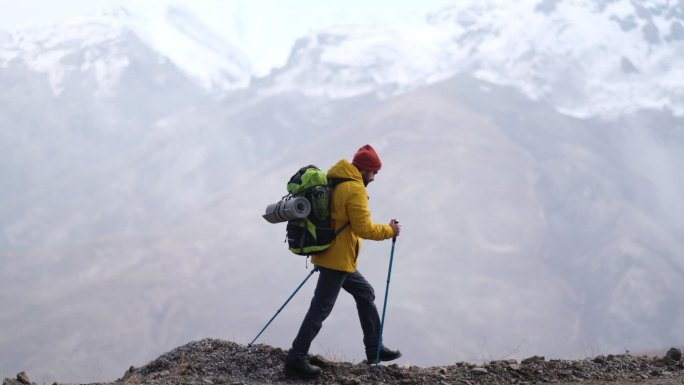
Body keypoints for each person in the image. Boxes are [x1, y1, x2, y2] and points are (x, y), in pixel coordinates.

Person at [284, 144, 402, 379]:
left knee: (365, 293)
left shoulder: (335, 179)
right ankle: (296, 359)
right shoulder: (354, 188)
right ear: (366, 169)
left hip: (336, 256)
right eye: (374, 172)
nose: (375, 177)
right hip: (336, 260)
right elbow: (363, 228)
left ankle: (374, 349)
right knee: (320, 309)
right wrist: (390, 230)